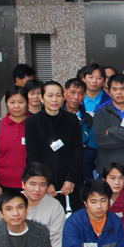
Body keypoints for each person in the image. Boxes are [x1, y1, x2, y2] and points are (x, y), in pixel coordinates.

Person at [0, 163, 68, 247]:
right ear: (23, 184)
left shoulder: (55, 206)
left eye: (42, 185)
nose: (37, 189)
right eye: (32, 184)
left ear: (48, 187)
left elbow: (56, 238)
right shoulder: (7, 203)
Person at [25, 81, 83, 211]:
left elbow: (77, 151)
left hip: (70, 181)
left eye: (58, 95)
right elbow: (33, 155)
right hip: (44, 182)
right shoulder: (32, 122)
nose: (54, 99)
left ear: (63, 97)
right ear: (42, 98)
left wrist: (71, 179)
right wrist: (45, 182)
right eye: (50, 95)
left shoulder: (71, 119)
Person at [0, 86, 30, 197]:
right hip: (3, 186)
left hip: (30, 185)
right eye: (12, 102)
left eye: (21, 102)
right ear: (6, 104)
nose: (16, 106)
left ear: (27, 103)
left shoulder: (34, 125)